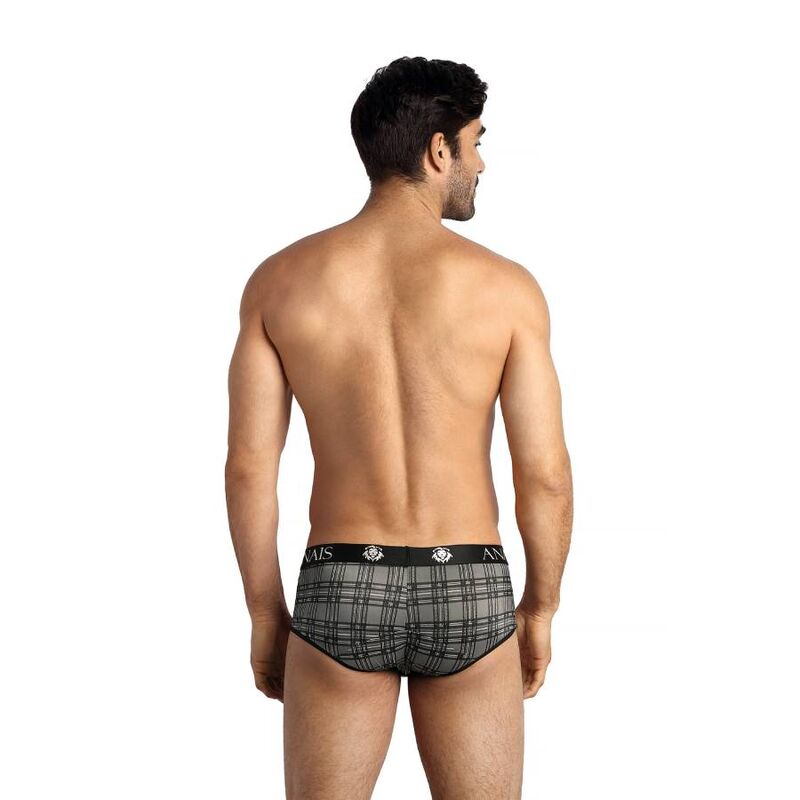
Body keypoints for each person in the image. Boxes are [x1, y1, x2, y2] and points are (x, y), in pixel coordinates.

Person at [225, 55, 573, 800]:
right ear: (438, 150)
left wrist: (264, 612)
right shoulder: (506, 289)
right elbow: (543, 473)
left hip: (341, 578)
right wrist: (541, 607)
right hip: (468, 580)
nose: (481, 163)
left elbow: (250, 467)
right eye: (476, 142)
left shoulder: (280, 281)